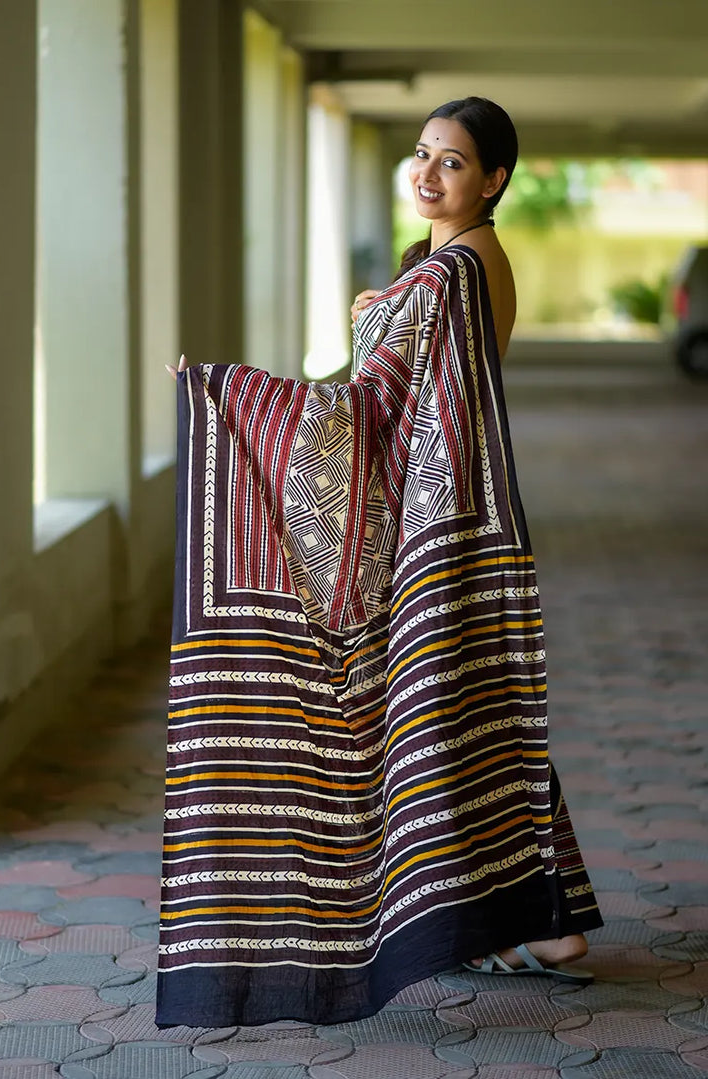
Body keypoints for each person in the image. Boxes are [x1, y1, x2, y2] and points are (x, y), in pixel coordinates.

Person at [160, 96, 602, 1029]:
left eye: (452, 161)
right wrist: (384, 316)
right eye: (422, 153)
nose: (428, 172)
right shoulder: (461, 267)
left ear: (495, 181)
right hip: (452, 519)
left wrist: (226, 390)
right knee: (477, 707)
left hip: (427, 529)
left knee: (440, 709)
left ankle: (506, 919)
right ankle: (542, 922)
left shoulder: (450, 276)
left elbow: (357, 416)